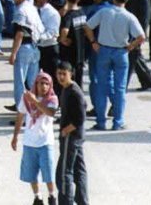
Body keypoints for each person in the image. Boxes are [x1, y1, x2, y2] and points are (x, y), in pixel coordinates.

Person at [84, 0, 145, 131]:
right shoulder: (129, 16)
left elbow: (87, 26)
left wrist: (93, 42)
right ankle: (118, 121)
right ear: (126, 1)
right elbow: (141, 37)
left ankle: (101, 121)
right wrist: (130, 47)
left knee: (101, 87)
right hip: (121, 52)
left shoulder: (104, 12)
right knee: (120, 88)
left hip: (103, 49)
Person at [12, 71, 59, 205]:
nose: (43, 87)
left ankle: (51, 195)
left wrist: (36, 102)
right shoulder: (26, 98)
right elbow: (20, 116)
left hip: (45, 142)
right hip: (29, 142)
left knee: (48, 174)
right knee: (31, 173)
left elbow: (50, 113)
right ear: (36, 84)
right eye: (41, 83)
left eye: (46, 84)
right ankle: (37, 196)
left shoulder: (52, 99)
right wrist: (15, 136)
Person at [55, 61, 88, 205]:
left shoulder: (74, 92)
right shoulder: (66, 89)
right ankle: (82, 201)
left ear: (71, 74)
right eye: (59, 74)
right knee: (79, 171)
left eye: (64, 74)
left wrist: (66, 130)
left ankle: (66, 201)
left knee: (64, 173)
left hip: (71, 137)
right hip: (77, 138)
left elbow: (80, 117)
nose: (61, 77)